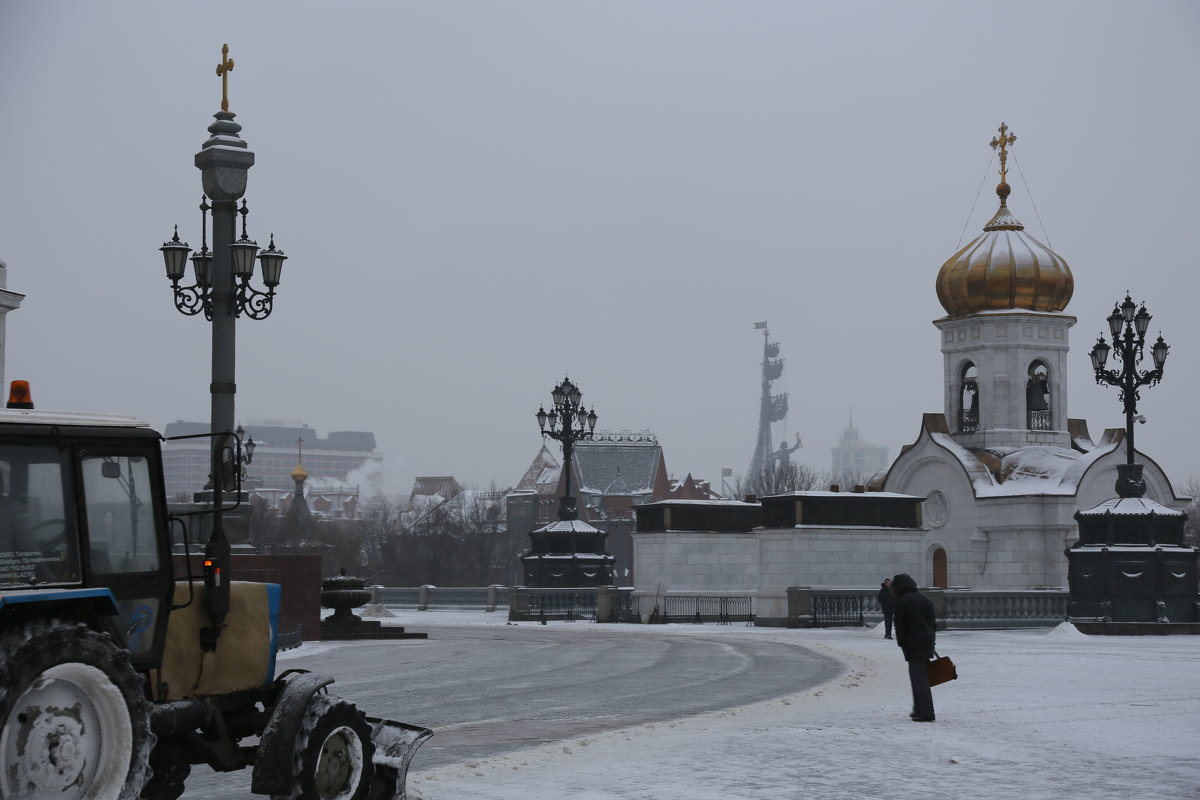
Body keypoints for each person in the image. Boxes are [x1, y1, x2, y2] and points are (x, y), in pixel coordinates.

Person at [892, 573, 935, 722]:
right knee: (919, 678)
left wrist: (901, 642)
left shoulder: (902, 601)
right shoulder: (926, 599)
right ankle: (919, 709)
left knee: (919, 679)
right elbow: (932, 625)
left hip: (912, 644)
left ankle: (926, 712)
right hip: (926, 642)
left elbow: (900, 625)